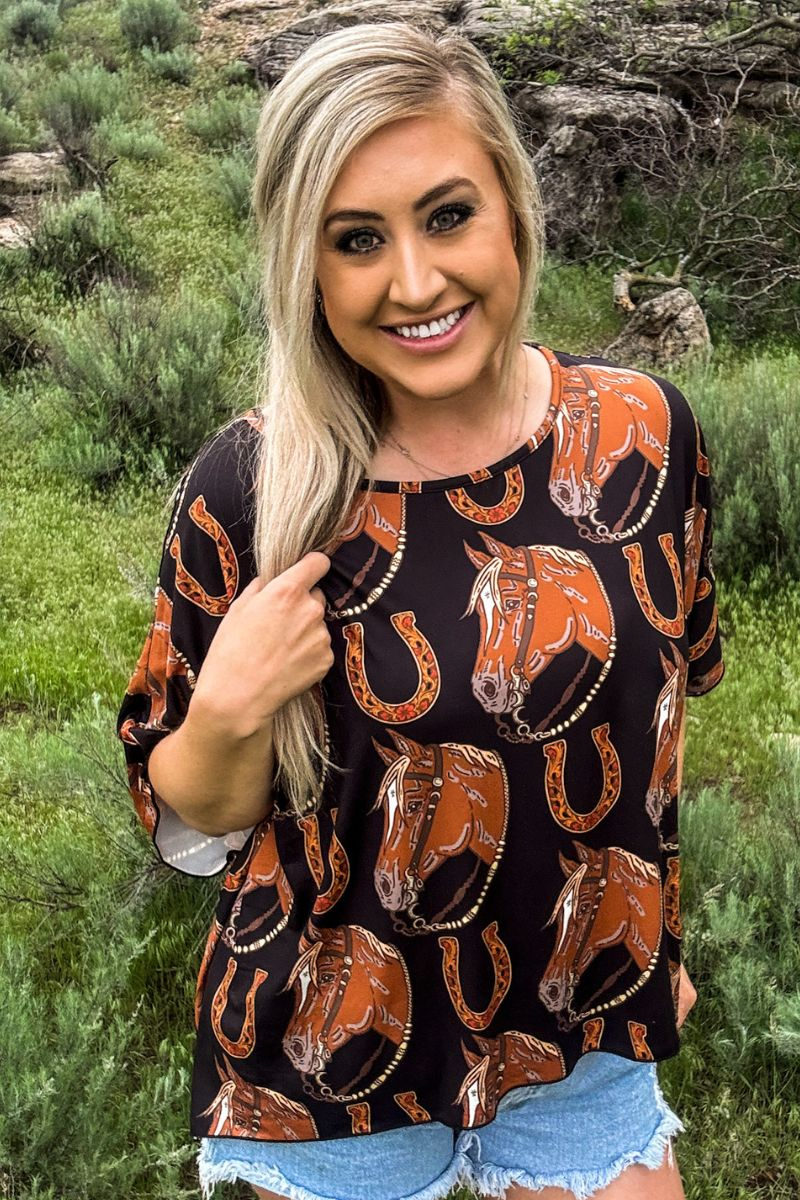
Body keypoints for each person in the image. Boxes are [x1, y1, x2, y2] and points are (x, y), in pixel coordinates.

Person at [116, 20, 724, 1200]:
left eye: (447, 216)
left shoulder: (644, 438)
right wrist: (227, 711)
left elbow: (655, 725)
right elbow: (190, 821)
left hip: (584, 1035)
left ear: (512, 210)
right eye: (356, 240)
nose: (412, 282)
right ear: (306, 265)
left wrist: (655, 937)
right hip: (330, 1064)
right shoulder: (254, 489)